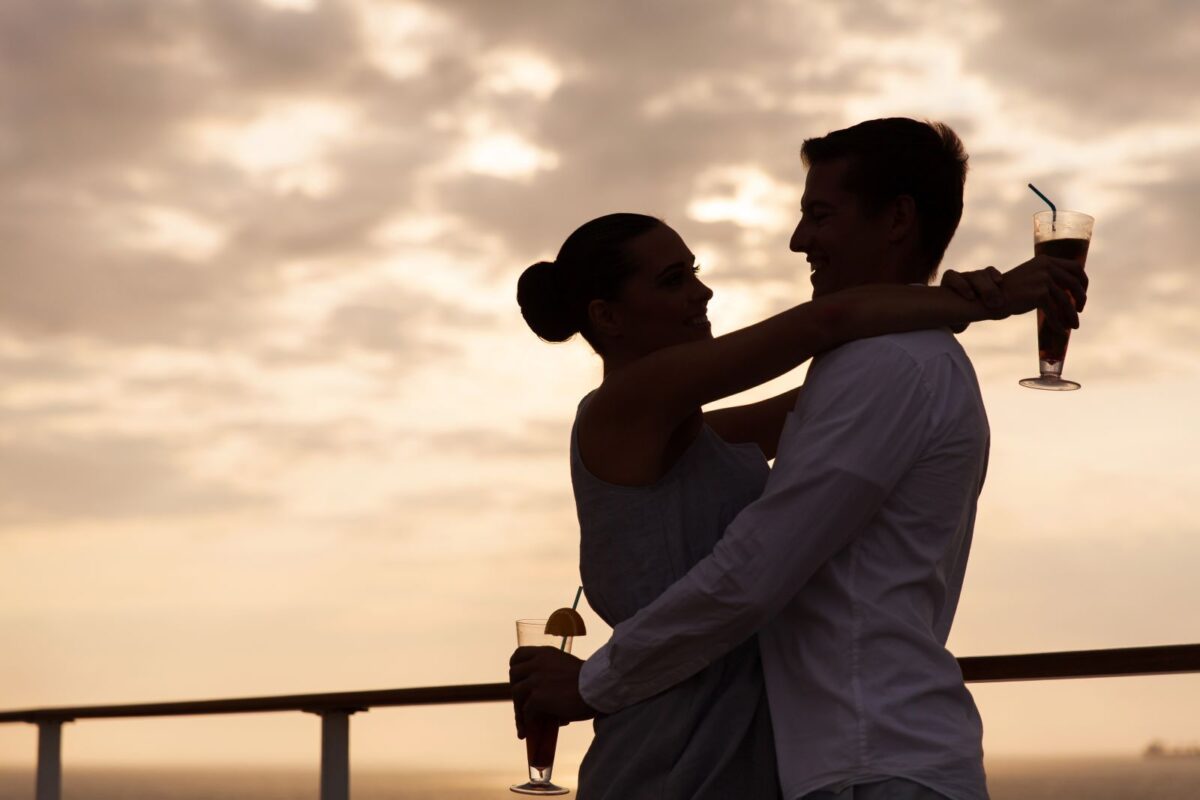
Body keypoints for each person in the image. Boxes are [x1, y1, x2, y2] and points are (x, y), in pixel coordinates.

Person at [511, 120, 1087, 800]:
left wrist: (932, 310)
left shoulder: (745, 425)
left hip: (772, 766)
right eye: (673, 280)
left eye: (694, 272)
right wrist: (979, 300)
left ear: (896, 218)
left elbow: (828, 394)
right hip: (676, 761)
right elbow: (825, 327)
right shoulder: (622, 408)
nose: (703, 293)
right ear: (607, 319)